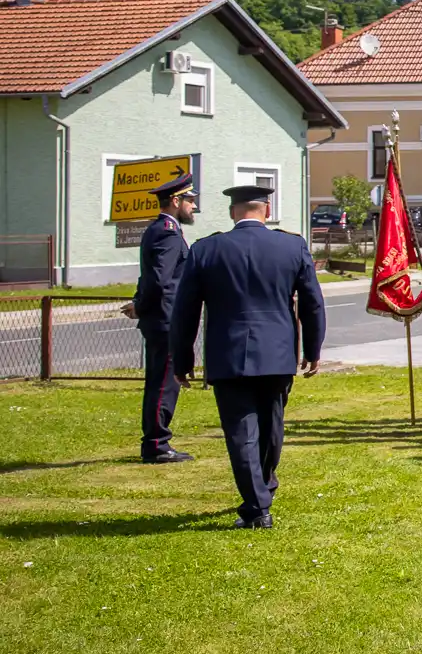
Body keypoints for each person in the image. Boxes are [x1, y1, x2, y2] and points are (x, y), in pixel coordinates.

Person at [167, 183, 324, 529]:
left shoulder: (206, 249)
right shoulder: (292, 246)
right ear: (267, 210)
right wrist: (312, 350)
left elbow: (185, 310)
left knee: (241, 433)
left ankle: (258, 501)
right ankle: (260, 497)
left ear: (231, 212)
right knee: (271, 427)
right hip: (277, 352)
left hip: (229, 353)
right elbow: (312, 302)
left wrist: (182, 359)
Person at [124, 172, 196, 463]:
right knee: (164, 384)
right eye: (190, 200)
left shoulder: (161, 229)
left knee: (159, 381)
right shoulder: (167, 232)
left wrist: (139, 304)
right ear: (176, 201)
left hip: (160, 318)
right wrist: (141, 307)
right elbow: (159, 280)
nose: (194, 206)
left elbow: (152, 277)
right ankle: (157, 444)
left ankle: (156, 442)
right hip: (165, 320)